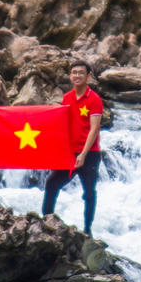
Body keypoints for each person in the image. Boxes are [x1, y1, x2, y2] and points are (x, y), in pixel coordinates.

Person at [42, 60, 103, 235]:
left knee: (89, 192)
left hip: (89, 153)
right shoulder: (67, 97)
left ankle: (88, 230)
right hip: (69, 153)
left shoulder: (94, 100)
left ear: (88, 76)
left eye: (81, 73)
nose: (77, 75)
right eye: (74, 72)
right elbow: (63, 123)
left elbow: (94, 129)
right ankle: (46, 221)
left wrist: (83, 154)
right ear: (70, 76)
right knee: (52, 183)